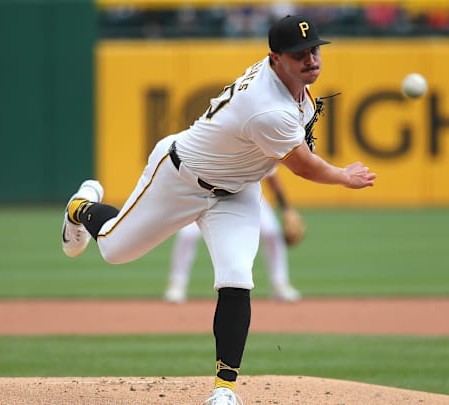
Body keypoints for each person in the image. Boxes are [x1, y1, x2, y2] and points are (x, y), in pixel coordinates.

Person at [61, 14, 376, 405]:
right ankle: (80, 206)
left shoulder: (293, 86)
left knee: (237, 277)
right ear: (275, 58)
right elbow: (304, 166)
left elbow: (289, 149)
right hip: (180, 177)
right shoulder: (267, 109)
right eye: (299, 55)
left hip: (237, 191)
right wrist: (343, 177)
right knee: (113, 250)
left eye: (314, 50)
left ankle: (224, 390)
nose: (311, 60)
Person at [164, 170, 303, 303]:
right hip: (207, 194)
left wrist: (286, 209)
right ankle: (177, 284)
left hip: (247, 194)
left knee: (271, 233)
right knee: (187, 235)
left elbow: (272, 177)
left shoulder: (257, 147)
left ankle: (280, 283)